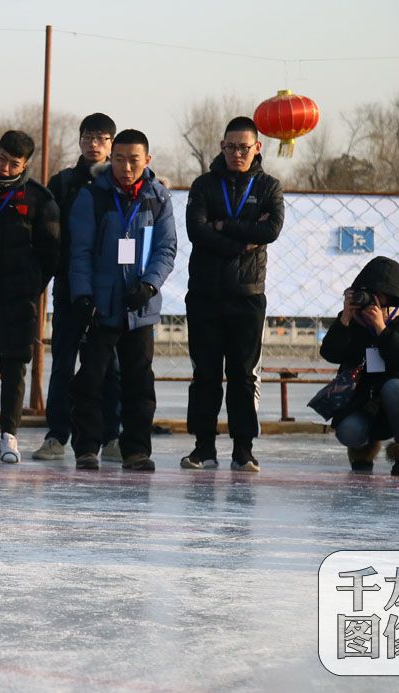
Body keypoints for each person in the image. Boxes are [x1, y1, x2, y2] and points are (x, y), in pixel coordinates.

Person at [68, 129, 177, 472]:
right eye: (119, 159)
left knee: (139, 382)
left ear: (147, 160)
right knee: (91, 379)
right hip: (102, 306)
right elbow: (80, 251)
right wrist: (83, 295)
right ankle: (87, 447)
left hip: (139, 309)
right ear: (110, 158)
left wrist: (149, 285)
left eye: (134, 160)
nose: (126, 167)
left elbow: (166, 248)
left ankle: (136, 450)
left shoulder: (158, 198)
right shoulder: (93, 196)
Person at [182, 116, 284, 472]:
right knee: (205, 374)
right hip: (205, 295)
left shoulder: (269, 186)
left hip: (248, 295)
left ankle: (243, 448)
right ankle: (203, 447)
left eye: (244, 147)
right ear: (221, 147)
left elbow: (271, 229)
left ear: (257, 148)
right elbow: (196, 231)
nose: (237, 153)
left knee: (243, 376)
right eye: (230, 146)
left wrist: (223, 225)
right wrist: (244, 241)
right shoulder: (204, 184)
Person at [0, 131, 60, 464]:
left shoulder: (38, 198)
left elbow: (51, 253)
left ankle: (9, 435)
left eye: (13, 163)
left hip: (18, 298)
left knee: (15, 368)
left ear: (25, 164)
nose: (4, 167)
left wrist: (31, 285)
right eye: (0, 158)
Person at [36, 113, 123, 462]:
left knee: (109, 365)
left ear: (111, 144)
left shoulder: (120, 181)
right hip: (71, 285)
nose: (93, 144)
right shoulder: (63, 182)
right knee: (63, 361)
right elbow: (48, 233)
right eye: (88, 137)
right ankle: (57, 435)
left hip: (110, 289)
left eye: (101, 139)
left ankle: (112, 436)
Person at [320, 257, 399, 476]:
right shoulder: (351, 320)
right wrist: (345, 319)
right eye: (367, 294)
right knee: (348, 431)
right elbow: (329, 353)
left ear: (391, 297)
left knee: (393, 387)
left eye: (379, 295)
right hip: (363, 399)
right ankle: (362, 453)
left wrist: (381, 328)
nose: (371, 301)